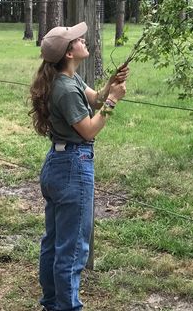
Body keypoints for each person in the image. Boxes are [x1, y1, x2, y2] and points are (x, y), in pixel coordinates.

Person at [29, 21, 129, 311]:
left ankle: (51, 303)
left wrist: (110, 84)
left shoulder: (68, 78)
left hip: (58, 164)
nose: (83, 39)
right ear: (69, 53)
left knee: (54, 242)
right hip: (73, 167)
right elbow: (89, 130)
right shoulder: (65, 89)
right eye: (76, 39)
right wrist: (113, 101)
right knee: (72, 250)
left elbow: (94, 99)